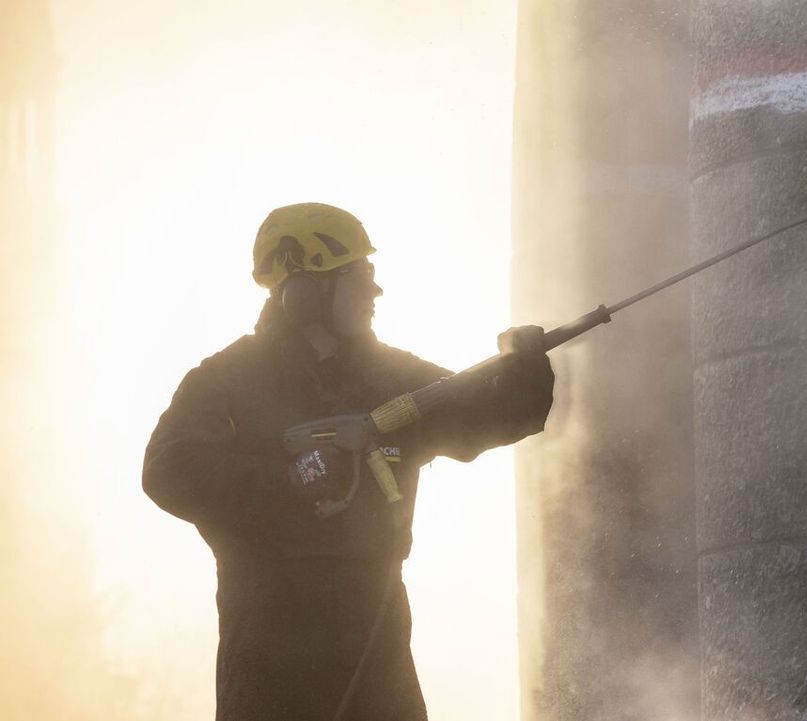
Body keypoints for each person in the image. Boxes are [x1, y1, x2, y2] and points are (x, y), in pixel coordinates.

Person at [143, 202, 553, 721]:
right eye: (359, 276)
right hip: (269, 665)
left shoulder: (392, 379)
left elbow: (492, 414)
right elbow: (168, 472)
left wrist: (525, 368)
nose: (374, 291)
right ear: (304, 294)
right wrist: (291, 478)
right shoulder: (225, 382)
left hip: (376, 656)